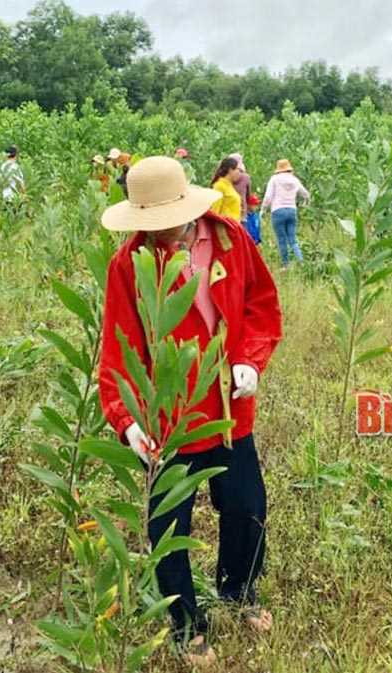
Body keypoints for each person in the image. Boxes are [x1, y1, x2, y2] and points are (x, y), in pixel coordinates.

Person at [98, 156, 282, 667]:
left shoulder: (228, 239)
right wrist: (126, 420)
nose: (160, 235)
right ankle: (186, 625)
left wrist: (249, 359)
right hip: (167, 421)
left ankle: (238, 594)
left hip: (228, 411)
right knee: (168, 528)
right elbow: (117, 348)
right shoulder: (128, 265)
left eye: (166, 223)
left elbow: (261, 305)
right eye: (148, 225)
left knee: (247, 509)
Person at [261, 159, 310, 270]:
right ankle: (301, 263)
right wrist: (305, 204)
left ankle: (285, 265)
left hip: (278, 211)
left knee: (281, 239)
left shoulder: (274, 179)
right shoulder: (294, 179)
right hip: (292, 210)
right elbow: (306, 194)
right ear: (289, 168)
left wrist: (263, 210)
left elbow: (268, 197)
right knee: (292, 239)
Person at [228, 153, 251, 224]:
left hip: (227, 211)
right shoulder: (246, 177)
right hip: (241, 212)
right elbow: (248, 195)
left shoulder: (226, 177)